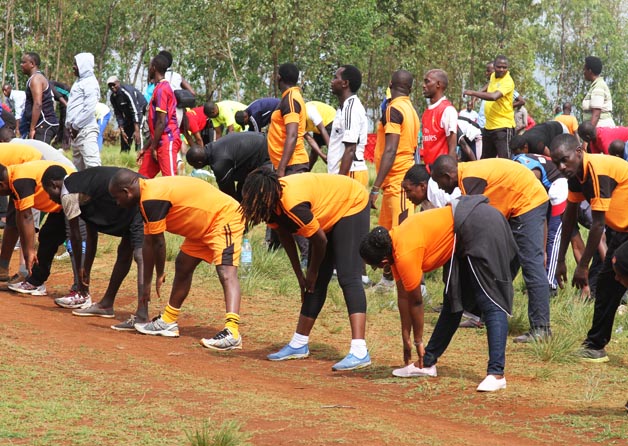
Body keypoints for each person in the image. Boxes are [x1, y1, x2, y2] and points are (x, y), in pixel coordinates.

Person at [359, 195, 517, 391]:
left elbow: (416, 302)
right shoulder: (394, 243)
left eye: (375, 266)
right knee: (453, 302)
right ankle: (427, 363)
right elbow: (403, 297)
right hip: (462, 235)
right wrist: (406, 338)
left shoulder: (405, 252)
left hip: (479, 225)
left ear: (383, 261)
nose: (378, 269)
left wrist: (418, 341)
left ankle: (497, 373)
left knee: (490, 302)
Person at [240, 170, 371, 371]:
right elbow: (285, 236)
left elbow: (320, 241)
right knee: (314, 283)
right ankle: (299, 343)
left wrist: (312, 272)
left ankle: (360, 351)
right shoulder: (269, 206)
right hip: (327, 209)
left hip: (350, 201)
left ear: (264, 197)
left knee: (348, 276)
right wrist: (300, 276)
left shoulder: (292, 204)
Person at [109, 169, 244, 350]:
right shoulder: (145, 198)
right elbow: (148, 243)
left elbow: (159, 243)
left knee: (226, 272)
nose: (117, 203)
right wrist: (147, 283)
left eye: (117, 198)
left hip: (224, 217)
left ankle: (232, 333)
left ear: (127, 192)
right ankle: (168, 321)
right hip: (204, 224)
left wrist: (160, 274)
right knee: (183, 265)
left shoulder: (152, 198)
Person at [431, 155, 551, 343]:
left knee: (531, 265)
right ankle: (484, 314)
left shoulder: (470, 178)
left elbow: (473, 219)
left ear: (447, 176)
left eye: (439, 182)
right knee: (502, 263)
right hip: (517, 205)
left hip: (527, 203)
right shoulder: (466, 175)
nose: (439, 188)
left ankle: (541, 328)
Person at [550, 134, 628, 363]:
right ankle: (595, 345)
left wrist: (582, 266)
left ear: (579, 152)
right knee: (606, 283)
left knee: (615, 273)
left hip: (621, 230)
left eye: (564, 160)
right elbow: (569, 216)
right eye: (556, 163)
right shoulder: (575, 175)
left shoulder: (596, 170)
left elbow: (597, 225)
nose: (561, 167)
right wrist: (561, 259)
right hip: (620, 230)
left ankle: (595, 343)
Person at [41, 166, 148, 330]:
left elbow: (76, 237)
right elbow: (92, 234)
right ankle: (106, 304)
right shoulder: (84, 185)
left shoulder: (67, 194)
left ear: (54, 184)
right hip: (132, 198)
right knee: (124, 252)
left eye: (48, 193)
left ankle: (142, 315)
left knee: (140, 255)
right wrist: (85, 269)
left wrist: (79, 270)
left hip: (140, 195)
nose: (50, 198)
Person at [371, 70, 420, 290]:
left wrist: (374, 187)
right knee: (387, 234)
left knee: (402, 237)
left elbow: (391, 150)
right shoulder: (410, 109)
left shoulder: (394, 109)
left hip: (400, 183)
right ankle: (388, 281)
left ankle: (410, 287)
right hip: (393, 182)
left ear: (390, 84)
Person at [0, 160, 75, 296]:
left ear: (1, 185)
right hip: (60, 204)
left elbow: (27, 217)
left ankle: (80, 289)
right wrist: (27, 251)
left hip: (73, 196)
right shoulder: (13, 179)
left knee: (74, 242)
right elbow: (20, 218)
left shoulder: (20, 180)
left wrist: (30, 250)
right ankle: (36, 282)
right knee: (47, 236)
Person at [265, 63, 309, 263]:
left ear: (279, 77)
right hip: (287, 163)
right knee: (281, 208)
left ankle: (307, 256)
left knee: (294, 210)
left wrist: (281, 169)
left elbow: (292, 135)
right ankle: (276, 246)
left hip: (292, 164)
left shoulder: (291, 99)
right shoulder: (290, 97)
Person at [511, 150, 568, 292]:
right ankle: (537, 280)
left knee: (553, 235)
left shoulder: (528, 177)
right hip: (544, 188)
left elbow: (540, 218)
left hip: (559, 186)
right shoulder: (513, 167)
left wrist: (543, 251)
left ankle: (549, 284)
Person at [186, 132, 271, 202]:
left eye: (194, 165)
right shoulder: (213, 147)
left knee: (250, 192)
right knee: (242, 188)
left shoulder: (219, 164)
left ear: (199, 162)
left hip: (263, 151)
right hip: (260, 139)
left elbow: (229, 195)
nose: (194, 168)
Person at [137, 54, 181, 178]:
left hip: (167, 141)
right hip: (157, 141)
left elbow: (162, 122)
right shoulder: (158, 88)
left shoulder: (163, 89)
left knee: (170, 181)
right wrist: (146, 148)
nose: (149, 69)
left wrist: (153, 147)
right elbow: (156, 125)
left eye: (150, 66)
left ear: (154, 68)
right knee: (141, 179)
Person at [464, 55, 515, 159]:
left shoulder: (508, 81)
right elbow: (489, 85)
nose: (502, 69)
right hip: (488, 126)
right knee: (486, 161)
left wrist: (473, 93)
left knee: (505, 161)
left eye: (504, 67)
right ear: (494, 67)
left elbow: (494, 96)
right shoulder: (493, 76)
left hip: (503, 127)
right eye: (499, 67)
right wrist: (476, 96)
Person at [328, 65, 368, 185]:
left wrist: (340, 182)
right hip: (343, 174)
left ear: (345, 83)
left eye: (335, 78)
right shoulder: (343, 108)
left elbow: (350, 149)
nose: (332, 81)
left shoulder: (351, 108)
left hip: (350, 173)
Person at [66, 53, 101, 170]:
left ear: (83, 66)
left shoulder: (90, 83)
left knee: (93, 165)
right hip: (76, 131)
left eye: (76, 64)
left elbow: (89, 108)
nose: (73, 67)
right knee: (78, 169)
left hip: (85, 130)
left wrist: (75, 126)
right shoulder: (79, 82)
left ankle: (99, 183)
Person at [420, 69, 457, 167]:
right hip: (428, 169)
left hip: (441, 171)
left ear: (438, 84)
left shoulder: (447, 110)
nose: (423, 85)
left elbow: (452, 148)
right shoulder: (426, 112)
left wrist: (449, 170)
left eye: (427, 82)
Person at [20, 52, 59, 143]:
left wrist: (32, 129)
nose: (21, 65)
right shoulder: (34, 78)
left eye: (24, 62)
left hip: (44, 123)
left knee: (39, 152)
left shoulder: (36, 79)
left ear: (32, 64)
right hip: (41, 124)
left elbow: (37, 104)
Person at [106, 76, 146, 152]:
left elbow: (135, 110)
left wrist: (136, 130)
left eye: (113, 84)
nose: (112, 87)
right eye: (110, 85)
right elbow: (118, 114)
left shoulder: (127, 92)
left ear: (118, 83)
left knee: (138, 136)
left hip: (140, 113)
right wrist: (122, 130)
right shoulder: (113, 97)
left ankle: (139, 154)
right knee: (125, 136)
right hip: (129, 116)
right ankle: (124, 154)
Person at [582, 56, 614, 128]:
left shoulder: (598, 86)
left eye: (584, 70)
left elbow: (596, 114)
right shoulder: (595, 86)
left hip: (601, 128)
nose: (584, 73)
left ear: (590, 71)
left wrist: (589, 132)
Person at [304, 101, 335, 169]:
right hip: (318, 128)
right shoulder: (297, 124)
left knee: (333, 152)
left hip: (330, 120)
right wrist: (322, 155)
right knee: (314, 151)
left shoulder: (309, 110)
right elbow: (309, 139)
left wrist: (331, 153)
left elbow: (322, 130)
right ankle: (306, 172)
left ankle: (337, 171)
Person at [49, 80, 72, 148]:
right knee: (62, 121)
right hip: (63, 100)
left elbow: (57, 95)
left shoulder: (48, 84)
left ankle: (65, 145)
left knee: (65, 122)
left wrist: (67, 105)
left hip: (67, 97)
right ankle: (58, 141)